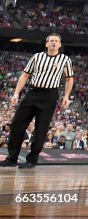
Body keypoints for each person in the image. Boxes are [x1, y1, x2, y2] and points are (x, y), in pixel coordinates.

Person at [1, 33, 74, 169]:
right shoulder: (37, 56)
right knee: (17, 124)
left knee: (41, 129)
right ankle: (11, 158)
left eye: (56, 41)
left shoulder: (65, 59)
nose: (53, 43)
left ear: (59, 44)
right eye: (51, 40)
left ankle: (31, 160)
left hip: (50, 95)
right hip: (33, 92)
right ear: (46, 44)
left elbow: (69, 79)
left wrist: (66, 96)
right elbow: (25, 75)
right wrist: (16, 93)